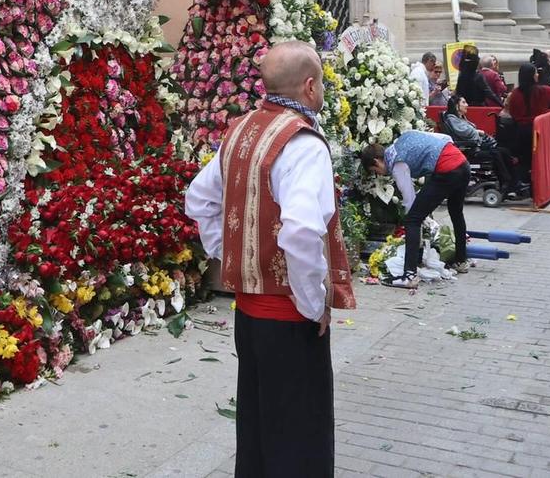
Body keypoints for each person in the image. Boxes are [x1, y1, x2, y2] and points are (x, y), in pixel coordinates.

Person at [183, 41, 355, 475]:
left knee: (258, 424)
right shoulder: (303, 142)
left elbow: (198, 199)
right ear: (310, 86)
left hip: (248, 312)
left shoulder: (241, 129)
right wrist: (313, 302)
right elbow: (300, 229)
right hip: (289, 313)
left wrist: (232, 255)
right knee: (300, 433)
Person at [360, 129, 469, 288]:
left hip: (447, 170)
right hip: (462, 163)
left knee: (412, 220)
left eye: (375, 171)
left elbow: (410, 200)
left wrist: (414, 219)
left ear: (377, 161)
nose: (380, 175)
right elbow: (446, 137)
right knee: (456, 212)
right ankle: (461, 261)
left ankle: (409, 275)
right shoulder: (402, 139)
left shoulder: (396, 162)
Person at [439, 96, 526, 201]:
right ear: (457, 106)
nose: (467, 105)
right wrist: (478, 132)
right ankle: (506, 182)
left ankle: (515, 182)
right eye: (464, 102)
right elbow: (465, 133)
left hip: (475, 146)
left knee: (504, 151)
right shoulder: (452, 119)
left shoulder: (460, 118)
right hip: (469, 150)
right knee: (496, 153)